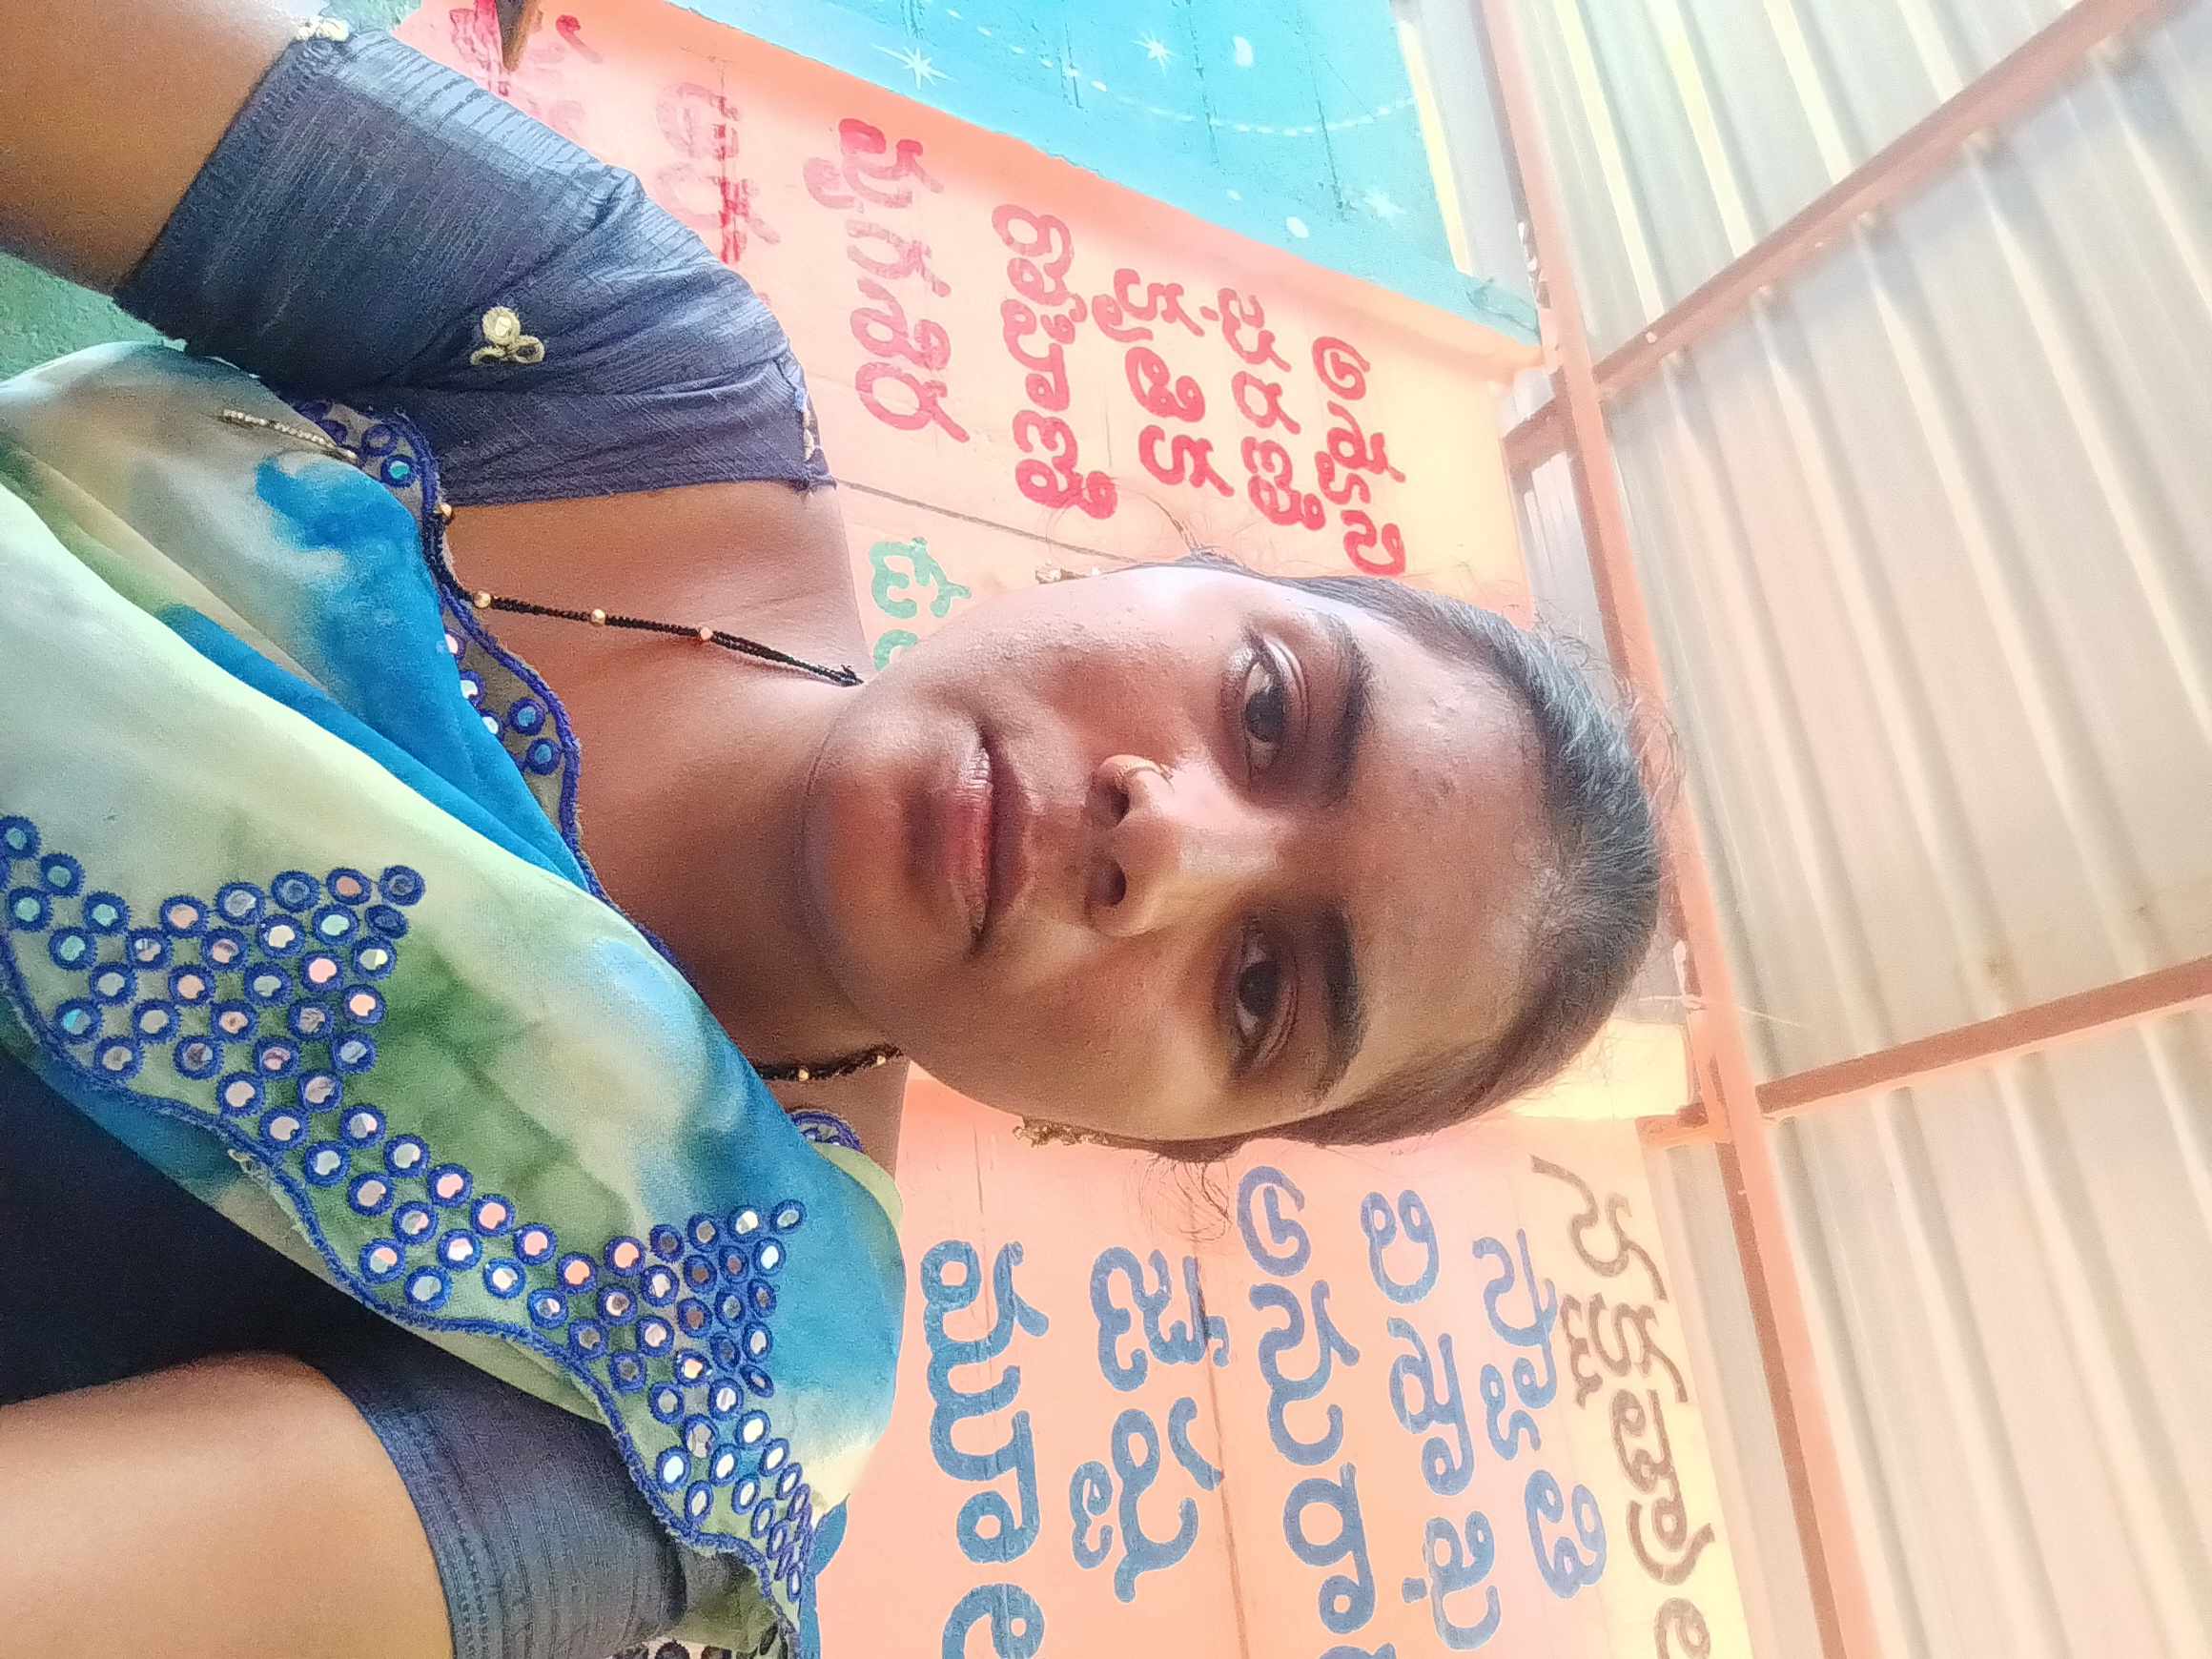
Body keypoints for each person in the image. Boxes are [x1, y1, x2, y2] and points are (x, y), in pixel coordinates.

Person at [0, 5, 1662, 1658]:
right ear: (1169, 572)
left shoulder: (723, 1384)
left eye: (1259, 992)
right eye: (1269, 709)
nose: (1167, 847)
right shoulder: (624, 361)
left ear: (1155, 1139)